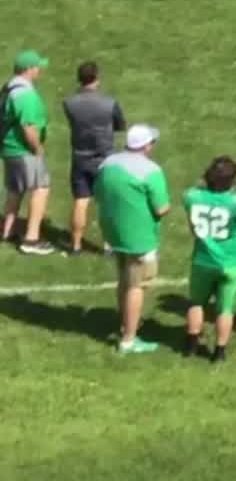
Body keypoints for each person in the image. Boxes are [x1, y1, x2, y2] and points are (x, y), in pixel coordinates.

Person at [97, 124, 169, 354]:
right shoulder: (151, 171)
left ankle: (125, 322)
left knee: (124, 279)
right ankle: (129, 338)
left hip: (113, 231)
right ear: (147, 145)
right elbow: (161, 208)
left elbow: (98, 192)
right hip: (139, 237)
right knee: (137, 285)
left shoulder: (107, 164)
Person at [183, 155, 236, 362]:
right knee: (225, 309)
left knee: (196, 303)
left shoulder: (192, 196)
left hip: (202, 259)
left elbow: (192, 227)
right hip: (231, 262)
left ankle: (191, 346)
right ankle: (219, 352)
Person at [61, 59, 125, 255]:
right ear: (96, 78)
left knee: (81, 200)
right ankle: (108, 245)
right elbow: (120, 125)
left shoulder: (69, 103)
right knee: (106, 201)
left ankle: (76, 245)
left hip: (80, 157)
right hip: (104, 158)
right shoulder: (109, 103)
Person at [2, 49, 55, 254]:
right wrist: (37, 148)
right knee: (41, 188)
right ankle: (31, 239)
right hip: (23, 149)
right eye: (37, 67)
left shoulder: (9, 87)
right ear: (29, 69)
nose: (40, 70)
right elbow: (28, 127)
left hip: (9, 149)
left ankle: (8, 231)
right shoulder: (26, 94)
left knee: (15, 190)